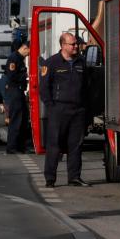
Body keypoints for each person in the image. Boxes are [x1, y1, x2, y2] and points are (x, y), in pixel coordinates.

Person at [39, 33, 91, 188]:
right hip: (58, 110)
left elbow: (87, 85)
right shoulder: (52, 63)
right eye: (72, 44)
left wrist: (85, 107)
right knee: (54, 145)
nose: (75, 46)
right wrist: (51, 106)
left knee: (76, 144)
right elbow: (44, 88)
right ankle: (50, 179)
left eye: (76, 44)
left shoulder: (81, 62)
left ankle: (74, 177)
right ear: (62, 45)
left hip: (78, 110)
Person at [4, 40, 31, 154]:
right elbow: (12, 76)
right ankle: (12, 147)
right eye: (29, 52)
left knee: (24, 119)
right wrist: (25, 75)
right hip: (14, 91)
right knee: (16, 119)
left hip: (19, 91)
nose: (29, 54)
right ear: (25, 48)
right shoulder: (14, 58)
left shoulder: (20, 58)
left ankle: (21, 146)